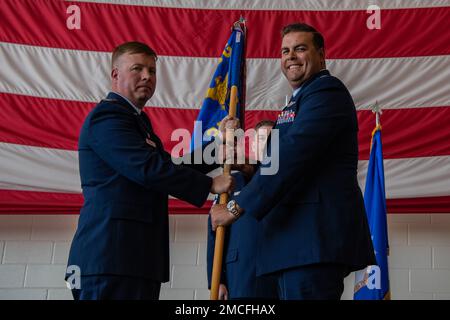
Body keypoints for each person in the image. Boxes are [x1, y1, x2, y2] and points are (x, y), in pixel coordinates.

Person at [210, 23, 376, 300]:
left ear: (321, 55)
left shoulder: (327, 93)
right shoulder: (297, 103)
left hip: (311, 242)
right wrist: (249, 167)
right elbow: (291, 160)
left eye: (300, 48)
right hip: (291, 244)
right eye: (285, 51)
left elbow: (293, 156)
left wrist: (236, 208)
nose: (291, 57)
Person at [66, 41, 234, 300]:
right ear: (115, 75)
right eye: (137, 69)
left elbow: (168, 167)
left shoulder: (137, 120)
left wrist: (219, 146)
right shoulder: (108, 118)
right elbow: (147, 169)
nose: (147, 76)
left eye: (152, 71)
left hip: (133, 259)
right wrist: (210, 185)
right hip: (110, 259)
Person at [207, 120, 278, 300]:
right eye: (262, 138)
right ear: (253, 143)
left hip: (280, 267)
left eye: (271, 139)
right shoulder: (230, 181)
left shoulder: (285, 177)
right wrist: (217, 280)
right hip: (240, 271)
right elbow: (215, 231)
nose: (267, 143)